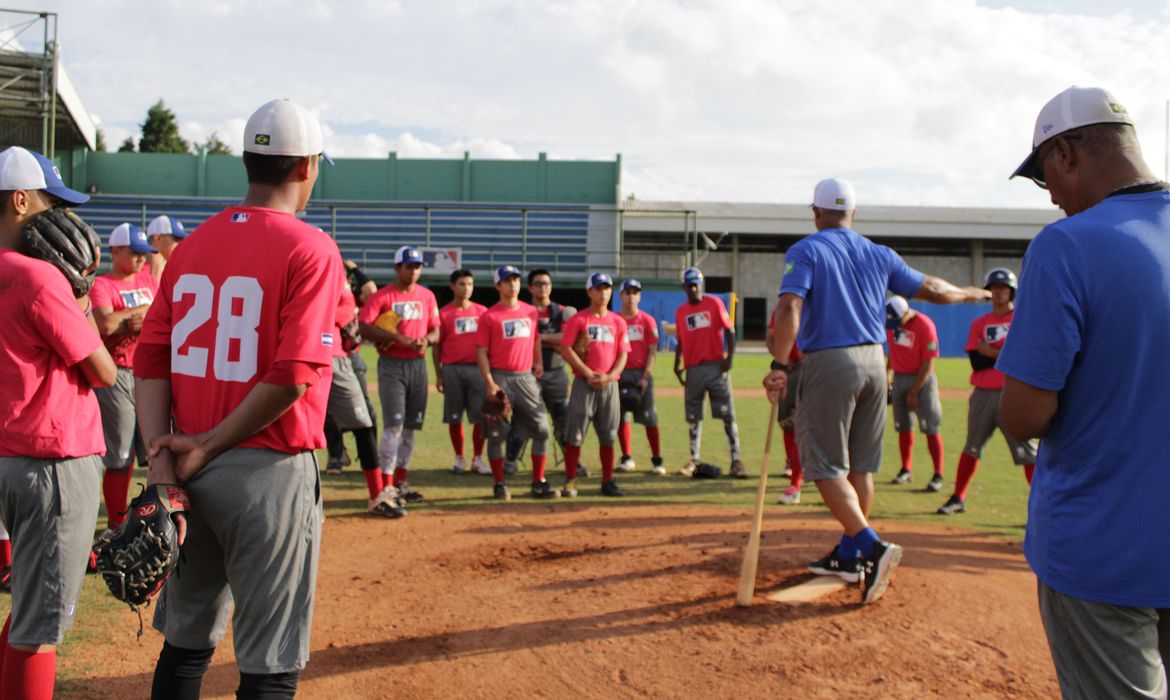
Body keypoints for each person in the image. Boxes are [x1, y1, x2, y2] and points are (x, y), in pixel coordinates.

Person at [133, 99, 343, 698]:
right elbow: (294, 374)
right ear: (306, 166)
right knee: (270, 659)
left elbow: (150, 357)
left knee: (186, 645)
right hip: (263, 468)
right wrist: (210, 443)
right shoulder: (311, 247)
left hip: (181, 467)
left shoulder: (192, 245)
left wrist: (161, 455)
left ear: (248, 162)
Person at [998, 85, 1170, 699]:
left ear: (1066, 152)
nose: (1051, 194)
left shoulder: (1067, 244)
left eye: (1045, 174)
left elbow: (1022, 416)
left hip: (1101, 547)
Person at [764, 177, 988, 604]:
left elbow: (790, 306)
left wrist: (779, 364)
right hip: (874, 363)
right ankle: (852, 554)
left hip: (831, 362)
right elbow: (936, 290)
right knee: (861, 467)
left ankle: (872, 546)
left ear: (815, 213)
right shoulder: (879, 253)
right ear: (855, 213)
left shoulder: (807, 250)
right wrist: (972, 293)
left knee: (826, 467)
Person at [0, 145, 116, 697]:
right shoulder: (40, 280)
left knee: (26, 611)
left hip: (6, 460)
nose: (59, 219)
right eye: (49, 204)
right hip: (52, 460)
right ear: (19, 201)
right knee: (40, 630)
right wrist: (83, 295)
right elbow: (102, 370)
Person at [935, 268, 1037, 515]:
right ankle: (958, 497)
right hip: (982, 393)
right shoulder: (980, 323)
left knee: (1027, 452)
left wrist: (990, 352)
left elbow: (1024, 357)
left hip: (1013, 393)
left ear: (1012, 291)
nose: (999, 292)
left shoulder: (1023, 320)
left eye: (1003, 288)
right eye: (994, 287)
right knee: (972, 446)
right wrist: (1004, 354)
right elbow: (976, 362)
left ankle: (1040, 507)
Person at [89, 223, 159, 533]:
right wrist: (140, 316)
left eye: (145, 254)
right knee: (118, 453)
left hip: (148, 372)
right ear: (115, 251)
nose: (142, 260)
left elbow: (162, 314)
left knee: (156, 448)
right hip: (116, 371)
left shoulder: (149, 282)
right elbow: (105, 325)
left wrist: (139, 314)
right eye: (135, 254)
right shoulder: (103, 284)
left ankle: (152, 516)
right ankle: (116, 524)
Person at [358, 245, 440, 504]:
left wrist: (426, 340)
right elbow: (363, 327)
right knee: (393, 425)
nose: (414, 271)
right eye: (409, 266)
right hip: (392, 365)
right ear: (397, 268)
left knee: (410, 428)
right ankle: (387, 484)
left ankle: (401, 481)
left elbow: (436, 331)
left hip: (418, 365)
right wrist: (396, 338)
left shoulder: (427, 296)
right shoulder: (383, 297)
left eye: (417, 267)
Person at [475, 265, 555, 501]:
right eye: (507, 280)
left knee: (541, 430)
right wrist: (489, 383)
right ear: (497, 285)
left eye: (516, 280)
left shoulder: (530, 312)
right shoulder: (489, 316)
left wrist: (538, 362)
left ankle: (538, 482)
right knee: (496, 434)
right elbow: (481, 352)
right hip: (500, 377)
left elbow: (536, 339)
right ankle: (499, 483)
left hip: (526, 377)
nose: (513, 284)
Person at [327, 279, 398, 517]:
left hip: (338, 357)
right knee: (299, 431)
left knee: (364, 423)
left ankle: (377, 495)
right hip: (304, 352)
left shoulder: (339, 273)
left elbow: (356, 305)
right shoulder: (302, 265)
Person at [505, 269, 583, 475]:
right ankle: (511, 461)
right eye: (538, 283)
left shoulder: (562, 311)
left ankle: (573, 461)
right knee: (521, 419)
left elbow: (569, 339)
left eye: (547, 283)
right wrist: (554, 339)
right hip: (527, 375)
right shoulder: (522, 311)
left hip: (556, 372)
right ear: (530, 287)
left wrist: (537, 338)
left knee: (563, 418)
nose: (543, 287)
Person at [560, 272, 631, 497]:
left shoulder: (618, 322)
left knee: (608, 435)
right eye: (599, 288)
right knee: (575, 434)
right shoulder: (579, 319)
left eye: (607, 288)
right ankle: (571, 480)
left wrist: (609, 377)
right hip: (584, 383)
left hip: (609, 385)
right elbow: (566, 348)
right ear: (589, 292)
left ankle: (607, 481)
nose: (604, 292)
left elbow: (623, 354)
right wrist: (589, 372)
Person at [673, 267, 747, 478]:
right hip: (693, 369)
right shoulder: (681, 312)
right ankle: (693, 460)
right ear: (684, 288)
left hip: (716, 367)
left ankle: (736, 460)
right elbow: (680, 340)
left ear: (702, 285)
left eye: (697, 284)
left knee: (727, 415)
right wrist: (677, 364)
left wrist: (729, 359)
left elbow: (729, 330)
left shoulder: (714, 303)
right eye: (690, 285)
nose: (694, 288)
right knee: (694, 417)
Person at [884, 295, 945, 492]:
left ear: (907, 312)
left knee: (930, 428)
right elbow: (893, 352)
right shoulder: (893, 324)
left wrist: (914, 392)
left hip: (922, 380)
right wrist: (887, 374)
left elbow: (928, 364)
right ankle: (906, 469)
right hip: (899, 379)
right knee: (903, 427)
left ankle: (938, 474)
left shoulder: (925, 326)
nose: (894, 325)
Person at [323, 259, 378, 473]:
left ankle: (369, 456)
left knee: (366, 410)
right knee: (328, 414)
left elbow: (370, 291)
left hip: (351, 357)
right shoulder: (327, 288)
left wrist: (354, 269)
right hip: (333, 354)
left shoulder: (348, 289)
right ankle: (336, 455)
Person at [434, 269, 490, 475]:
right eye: (461, 284)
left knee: (480, 416)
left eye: (469, 284)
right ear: (452, 286)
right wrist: (439, 374)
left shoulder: (482, 312)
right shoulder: (445, 313)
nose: (466, 288)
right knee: (454, 416)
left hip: (477, 370)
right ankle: (459, 458)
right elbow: (437, 346)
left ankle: (477, 458)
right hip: (452, 369)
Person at [615, 279, 664, 475]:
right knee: (619, 417)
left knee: (649, 417)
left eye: (635, 293)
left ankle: (657, 460)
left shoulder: (647, 320)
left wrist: (645, 376)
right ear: (621, 296)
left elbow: (652, 351)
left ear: (639, 296)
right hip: (619, 373)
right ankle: (627, 457)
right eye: (627, 293)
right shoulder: (615, 319)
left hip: (640, 373)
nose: (631, 297)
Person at [765, 312, 805, 505]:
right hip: (790, 369)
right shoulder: (783, 310)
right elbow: (771, 338)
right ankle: (793, 469)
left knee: (807, 425)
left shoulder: (822, 303)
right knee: (789, 423)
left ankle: (797, 482)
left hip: (814, 368)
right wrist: (781, 360)